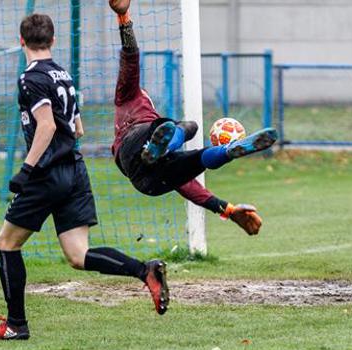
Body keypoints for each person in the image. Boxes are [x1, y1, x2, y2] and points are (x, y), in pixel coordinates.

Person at [0, 13, 169, 341]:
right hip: (75, 170)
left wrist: (27, 170)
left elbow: (48, 126)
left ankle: (16, 324)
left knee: (6, 243)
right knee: (78, 255)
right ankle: (144, 270)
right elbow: (77, 128)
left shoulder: (30, 78)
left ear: (20, 40)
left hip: (45, 174)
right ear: (53, 41)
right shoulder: (63, 74)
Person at [109, 0, 276, 236]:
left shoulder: (147, 116)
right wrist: (123, 18)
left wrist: (228, 210)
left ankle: (227, 151)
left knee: (194, 162)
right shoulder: (128, 96)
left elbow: (189, 188)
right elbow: (131, 57)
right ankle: (177, 148)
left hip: (146, 181)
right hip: (134, 143)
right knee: (189, 127)